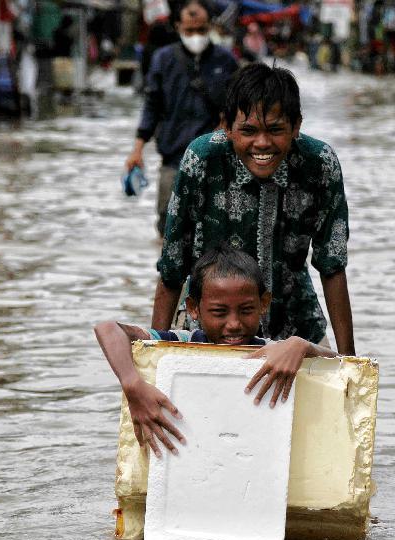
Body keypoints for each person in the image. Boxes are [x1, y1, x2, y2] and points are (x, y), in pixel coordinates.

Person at [151, 63, 356, 356]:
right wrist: (156, 354)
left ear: (296, 125)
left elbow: (332, 264)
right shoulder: (202, 160)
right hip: (209, 325)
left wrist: (349, 362)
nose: (262, 143)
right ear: (227, 126)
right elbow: (173, 265)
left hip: (294, 328)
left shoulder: (320, 164)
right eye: (248, 131)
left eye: (275, 130)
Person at [95, 245, 336, 457]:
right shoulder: (180, 344)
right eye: (219, 312)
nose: (233, 323)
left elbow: (342, 365)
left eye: (246, 310)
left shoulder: (270, 352)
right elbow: (107, 328)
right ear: (193, 308)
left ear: (263, 303)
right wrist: (133, 386)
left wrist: (300, 344)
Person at [125, 0, 239, 237]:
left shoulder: (226, 60)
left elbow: (238, 108)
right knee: (168, 225)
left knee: (215, 228)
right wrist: (137, 151)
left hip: (215, 161)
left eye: (202, 30)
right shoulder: (163, 59)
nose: (196, 36)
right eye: (189, 30)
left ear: (210, 26)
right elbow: (151, 107)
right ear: (177, 26)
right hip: (173, 159)